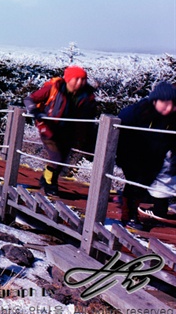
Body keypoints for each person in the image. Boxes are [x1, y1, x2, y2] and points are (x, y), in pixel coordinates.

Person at [23, 66, 99, 197]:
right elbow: (29, 99)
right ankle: (50, 185)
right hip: (49, 128)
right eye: (76, 79)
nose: (80, 83)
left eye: (83, 79)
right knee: (56, 158)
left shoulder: (88, 96)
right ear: (68, 79)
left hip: (70, 132)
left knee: (62, 160)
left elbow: (89, 116)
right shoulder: (54, 88)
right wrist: (35, 112)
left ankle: (45, 179)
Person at [116, 81, 176, 229]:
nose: (169, 108)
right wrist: (121, 154)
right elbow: (120, 125)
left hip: (156, 157)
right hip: (134, 153)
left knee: (143, 186)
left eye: (172, 104)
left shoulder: (172, 118)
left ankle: (131, 212)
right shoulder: (138, 112)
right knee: (134, 183)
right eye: (165, 103)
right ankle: (129, 217)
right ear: (155, 100)